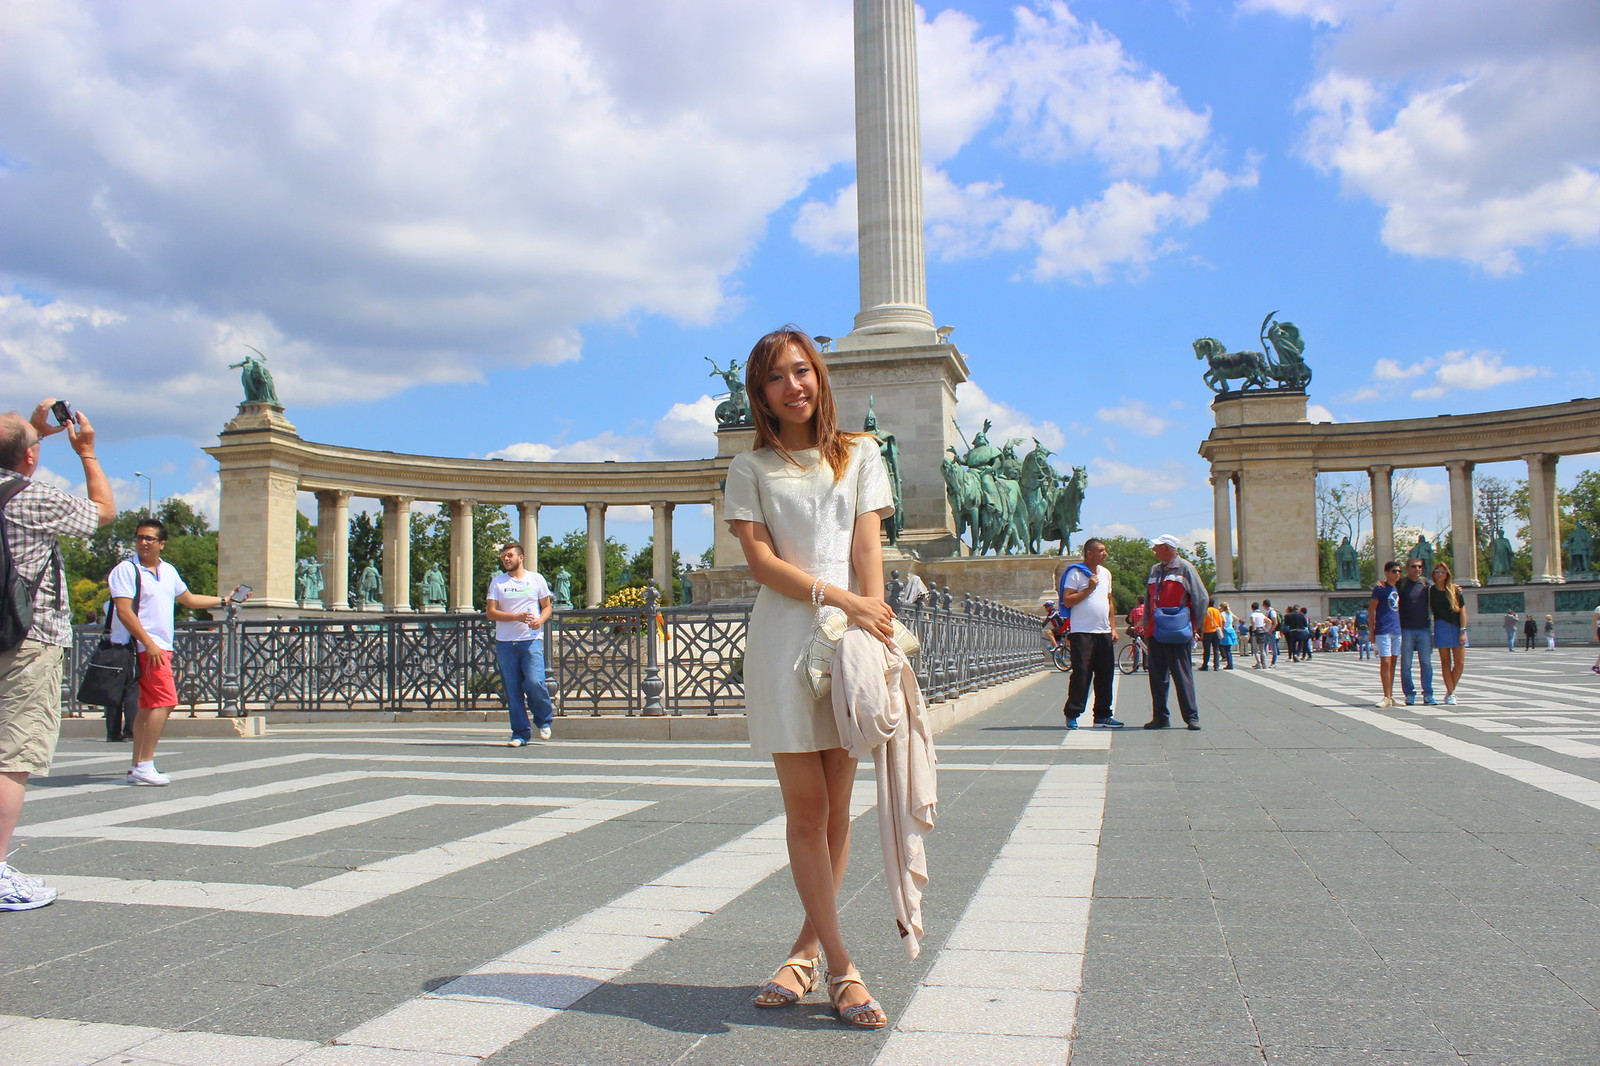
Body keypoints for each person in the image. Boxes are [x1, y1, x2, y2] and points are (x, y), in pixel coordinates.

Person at [724, 327, 898, 1029]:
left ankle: (802, 954)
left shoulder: (860, 452)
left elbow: (867, 545)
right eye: (776, 377)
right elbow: (762, 565)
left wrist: (872, 620)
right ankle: (842, 968)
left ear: (820, 376)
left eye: (803, 371)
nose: (794, 385)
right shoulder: (750, 467)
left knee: (837, 805)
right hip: (785, 641)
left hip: (849, 636)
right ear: (759, 393)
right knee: (807, 811)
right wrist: (845, 600)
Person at [0, 402, 114, 909]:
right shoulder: (33, 498)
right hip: (27, 637)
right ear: (30, 458)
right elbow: (103, 512)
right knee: (12, 756)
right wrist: (85, 452)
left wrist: (30, 431)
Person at [110, 519, 240, 785]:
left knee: (147, 707)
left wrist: (225, 600)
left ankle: (137, 766)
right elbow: (123, 610)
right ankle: (145, 764)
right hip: (145, 647)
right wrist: (148, 642)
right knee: (166, 701)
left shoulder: (167, 571)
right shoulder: (126, 569)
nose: (143, 543)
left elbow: (189, 599)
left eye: (149, 538)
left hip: (160, 646)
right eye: (139, 538)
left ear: (162, 544)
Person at [484, 542, 555, 745]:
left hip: (530, 640)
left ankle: (543, 719)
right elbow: (491, 612)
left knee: (535, 682)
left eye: (509, 556)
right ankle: (520, 733)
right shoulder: (498, 582)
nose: (506, 559)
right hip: (505, 642)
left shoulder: (536, 579)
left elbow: (547, 607)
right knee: (513, 691)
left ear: (520, 557)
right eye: (503, 556)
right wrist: (516, 616)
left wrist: (540, 621)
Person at [1141, 534, 1207, 731]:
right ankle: (1160, 716)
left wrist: (1194, 625)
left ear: (1168, 548)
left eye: (1157, 547)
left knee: (1182, 674)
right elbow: (1148, 600)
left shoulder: (1185, 568)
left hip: (1177, 629)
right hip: (1156, 629)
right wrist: (1146, 626)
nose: (1154, 550)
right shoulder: (1155, 570)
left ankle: (1191, 716)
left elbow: (1201, 598)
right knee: (1157, 675)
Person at [1058, 538, 1122, 729]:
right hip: (1082, 632)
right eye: (1101, 550)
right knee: (1082, 674)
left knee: (1105, 674)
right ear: (1089, 553)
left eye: (1105, 550)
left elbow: (1109, 601)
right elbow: (1067, 600)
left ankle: (1103, 715)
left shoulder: (1106, 574)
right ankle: (1073, 713)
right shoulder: (1076, 573)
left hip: (1103, 631)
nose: (1105, 553)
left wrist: (1113, 627)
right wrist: (1089, 589)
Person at [1429, 563, 1467, 705]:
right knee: (1445, 662)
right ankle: (1451, 692)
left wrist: (1463, 630)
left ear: (1447, 574)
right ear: (1433, 574)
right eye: (1437, 571)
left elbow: (1463, 611)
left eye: (1443, 572)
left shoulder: (1455, 590)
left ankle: (1451, 690)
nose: (1440, 574)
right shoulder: (1430, 591)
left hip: (1457, 627)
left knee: (1460, 663)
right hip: (1441, 626)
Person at [1370, 561, 1403, 707]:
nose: (1397, 574)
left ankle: (1391, 696)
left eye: (1399, 571)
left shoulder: (1399, 587)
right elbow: (1372, 609)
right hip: (1383, 629)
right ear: (1387, 573)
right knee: (1385, 661)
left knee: (1393, 662)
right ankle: (1386, 695)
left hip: (1397, 629)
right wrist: (1372, 630)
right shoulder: (1379, 589)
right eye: (1394, 571)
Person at [1199, 600, 1223, 671]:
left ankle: (1205, 665)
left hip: (1208, 632)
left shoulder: (1206, 611)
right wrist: (1220, 630)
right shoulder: (1217, 611)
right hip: (1216, 631)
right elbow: (1220, 622)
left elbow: (1203, 623)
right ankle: (1216, 665)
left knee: (1206, 650)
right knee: (1216, 649)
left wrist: (1202, 633)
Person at [1125, 596, 1146, 672]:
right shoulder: (1146, 609)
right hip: (1145, 631)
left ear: (1138, 601)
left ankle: (1135, 666)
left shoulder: (1135, 610)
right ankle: (1146, 666)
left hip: (1137, 631)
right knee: (1145, 649)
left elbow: (1130, 620)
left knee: (1136, 649)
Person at [1248, 601, 1269, 668]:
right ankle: (1264, 664)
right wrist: (1265, 627)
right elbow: (1269, 621)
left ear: (1252, 608)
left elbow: (1253, 621)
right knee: (1262, 649)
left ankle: (1258, 663)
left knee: (1255, 650)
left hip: (1256, 632)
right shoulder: (1261, 614)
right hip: (1262, 631)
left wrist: (1254, 627)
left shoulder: (1253, 615)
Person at [1217, 601, 1237, 669]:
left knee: (1226, 649)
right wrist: (1231, 624)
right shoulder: (1230, 613)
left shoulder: (1222, 613)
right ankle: (1230, 664)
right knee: (1228, 649)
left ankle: (1230, 665)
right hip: (1231, 630)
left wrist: (1222, 628)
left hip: (1226, 630)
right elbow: (1236, 619)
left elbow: (1224, 621)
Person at [1262, 599, 1280, 666]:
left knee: (1273, 646)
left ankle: (1273, 662)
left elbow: (1275, 622)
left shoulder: (1272, 612)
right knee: (1264, 646)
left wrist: (1270, 630)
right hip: (1267, 631)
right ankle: (1264, 661)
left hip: (1270, 632)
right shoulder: (1268, 612)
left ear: (1264, 605)